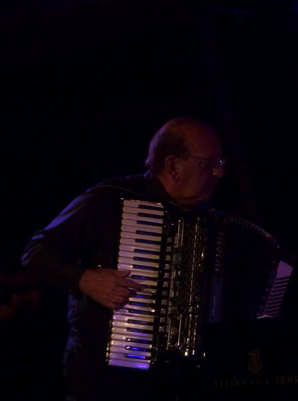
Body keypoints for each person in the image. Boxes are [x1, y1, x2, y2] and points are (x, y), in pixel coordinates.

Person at [20, 116, 226, 401]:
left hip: (180, 385)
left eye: (220, 163)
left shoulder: (212, 221)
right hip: (104, 382)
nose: (218, 173)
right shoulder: (111, 200)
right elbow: (36, 251)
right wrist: (84, 279)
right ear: (173, 166)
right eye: (209, 163)